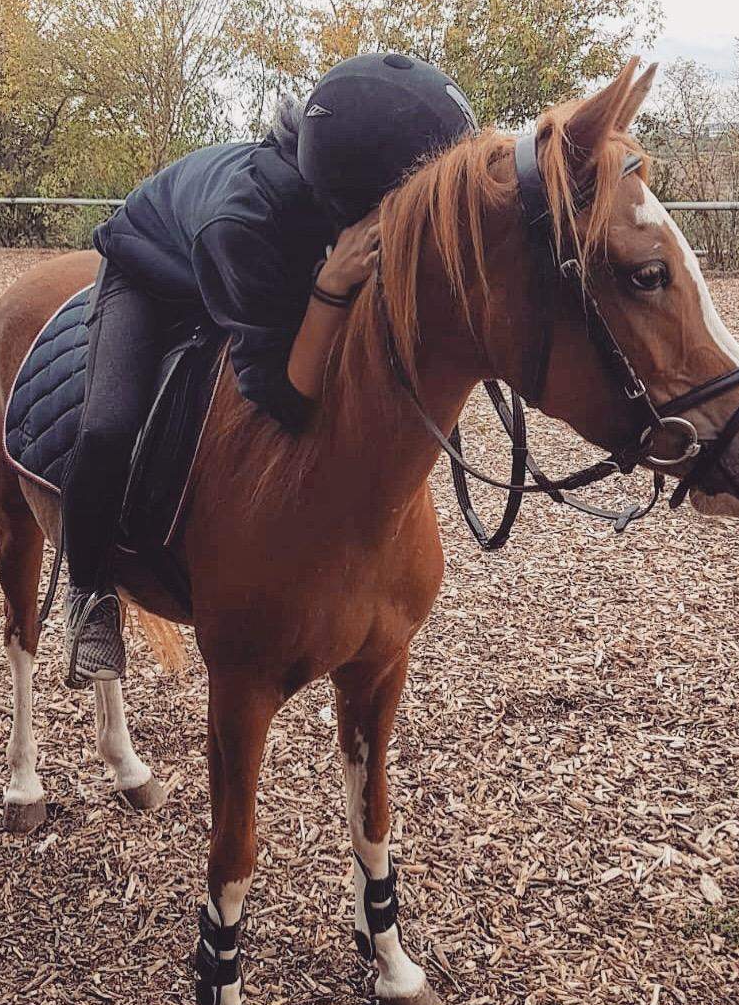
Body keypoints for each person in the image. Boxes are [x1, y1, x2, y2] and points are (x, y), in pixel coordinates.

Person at [61, 52, 479, 688]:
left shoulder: (343, 199)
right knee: (108, 427)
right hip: (153, 266)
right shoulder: (247, 225)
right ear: (360, 203)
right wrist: (332, 287)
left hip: (244, 251)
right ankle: (90, 592)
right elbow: (283, 393)